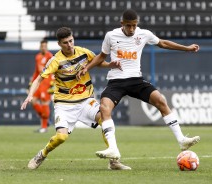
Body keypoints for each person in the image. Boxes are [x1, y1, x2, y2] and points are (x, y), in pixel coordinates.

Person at [77, 9, 201, 163]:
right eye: (128, 26)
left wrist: (186, 48)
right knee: (104, 108)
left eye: (134, 26)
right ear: (122, 23)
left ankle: (182, 140)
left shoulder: (143, 34)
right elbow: (102, 56)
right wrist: (86, 68)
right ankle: (113, 149)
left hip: (136, 80)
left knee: (161, 100)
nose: (132, 29)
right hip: (116, 81)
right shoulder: (111, 36)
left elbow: (162, 43)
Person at [21, 27, 131, 170]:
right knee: (61, 137)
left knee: (105, 118)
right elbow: (39, 79)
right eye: (65, 42)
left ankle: (114, 161)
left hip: (86, 101)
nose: (70, 44)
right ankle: (42, 154)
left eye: (71, 40)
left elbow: (98, 61)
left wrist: (110, 64)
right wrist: (30, 95)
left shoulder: (83, 52)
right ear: (60, 44)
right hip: (64, 104)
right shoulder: (55, 60)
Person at [28, 39, 54, 133]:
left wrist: (52, 83)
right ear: (40, 47)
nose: (44, 48)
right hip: (39, 83)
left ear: (47, 47)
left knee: (45, 103)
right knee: (33, 101)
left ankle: (44, 127)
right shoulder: (38, 57)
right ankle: (46, 120)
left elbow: (53, 70)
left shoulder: (50, 56)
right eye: (42, 46)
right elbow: (36, 71)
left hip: (47, 82)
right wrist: (31, 82)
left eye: (45, 46)